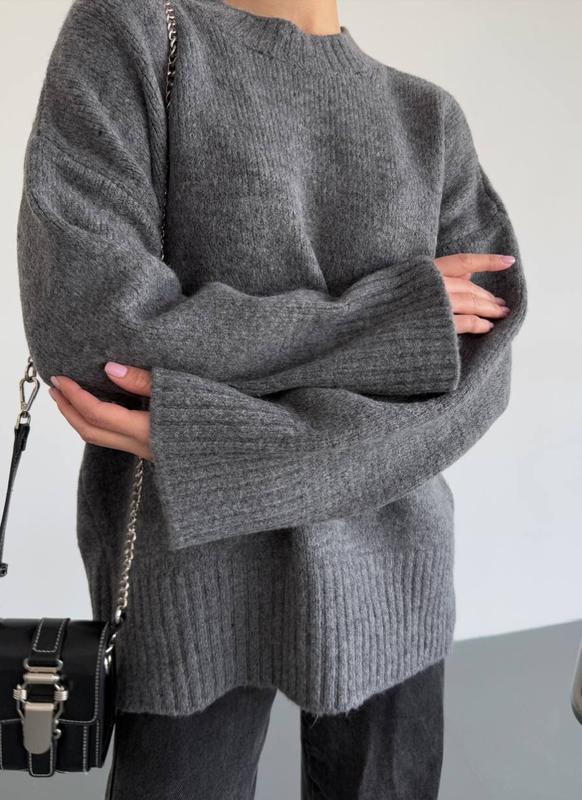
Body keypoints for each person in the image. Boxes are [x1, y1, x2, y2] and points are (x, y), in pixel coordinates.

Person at [16, 0, 528, 797]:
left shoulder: (429, 118)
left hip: (393, 577)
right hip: (192, 590)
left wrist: (217, 445)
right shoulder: (133, 33)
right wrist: (383, 322)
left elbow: (477, 381)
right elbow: (92, 330)